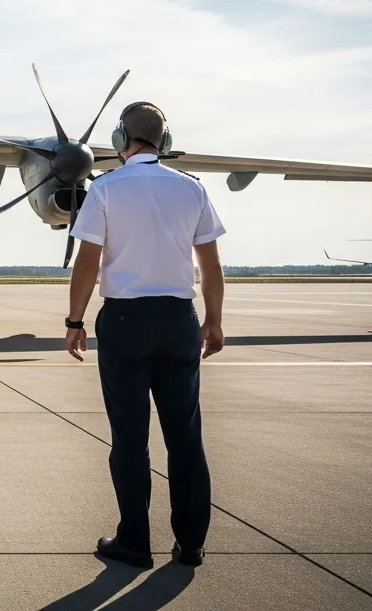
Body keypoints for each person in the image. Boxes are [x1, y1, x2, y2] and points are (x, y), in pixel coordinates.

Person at [64, 101, 226, 569]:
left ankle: (134, 542)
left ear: (120, 140)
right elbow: (209, 264)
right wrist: (212, 320)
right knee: (186, 436)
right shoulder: (191, 189)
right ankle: (191, 543)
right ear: (165, 139)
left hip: (124, 323)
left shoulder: (106, 189)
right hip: (178, 320)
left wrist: (74, 321)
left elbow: (88, 262)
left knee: (130, 438)